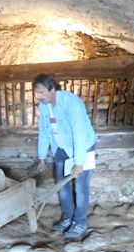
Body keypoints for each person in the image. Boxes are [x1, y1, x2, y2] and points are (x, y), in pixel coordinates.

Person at [32, 73, 97, 239]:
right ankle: (68, 218)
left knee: (80, 187)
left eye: (41, 92)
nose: (38, 96)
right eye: (36, 93)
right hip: (61, 147)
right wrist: (41, 157)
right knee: (62, 185)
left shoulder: (71, 103)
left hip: (82, 146)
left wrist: (79, 162)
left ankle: (80, 222)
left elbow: (79, 132)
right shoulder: (43, 105)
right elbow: (44, 131)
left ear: (53, 89)